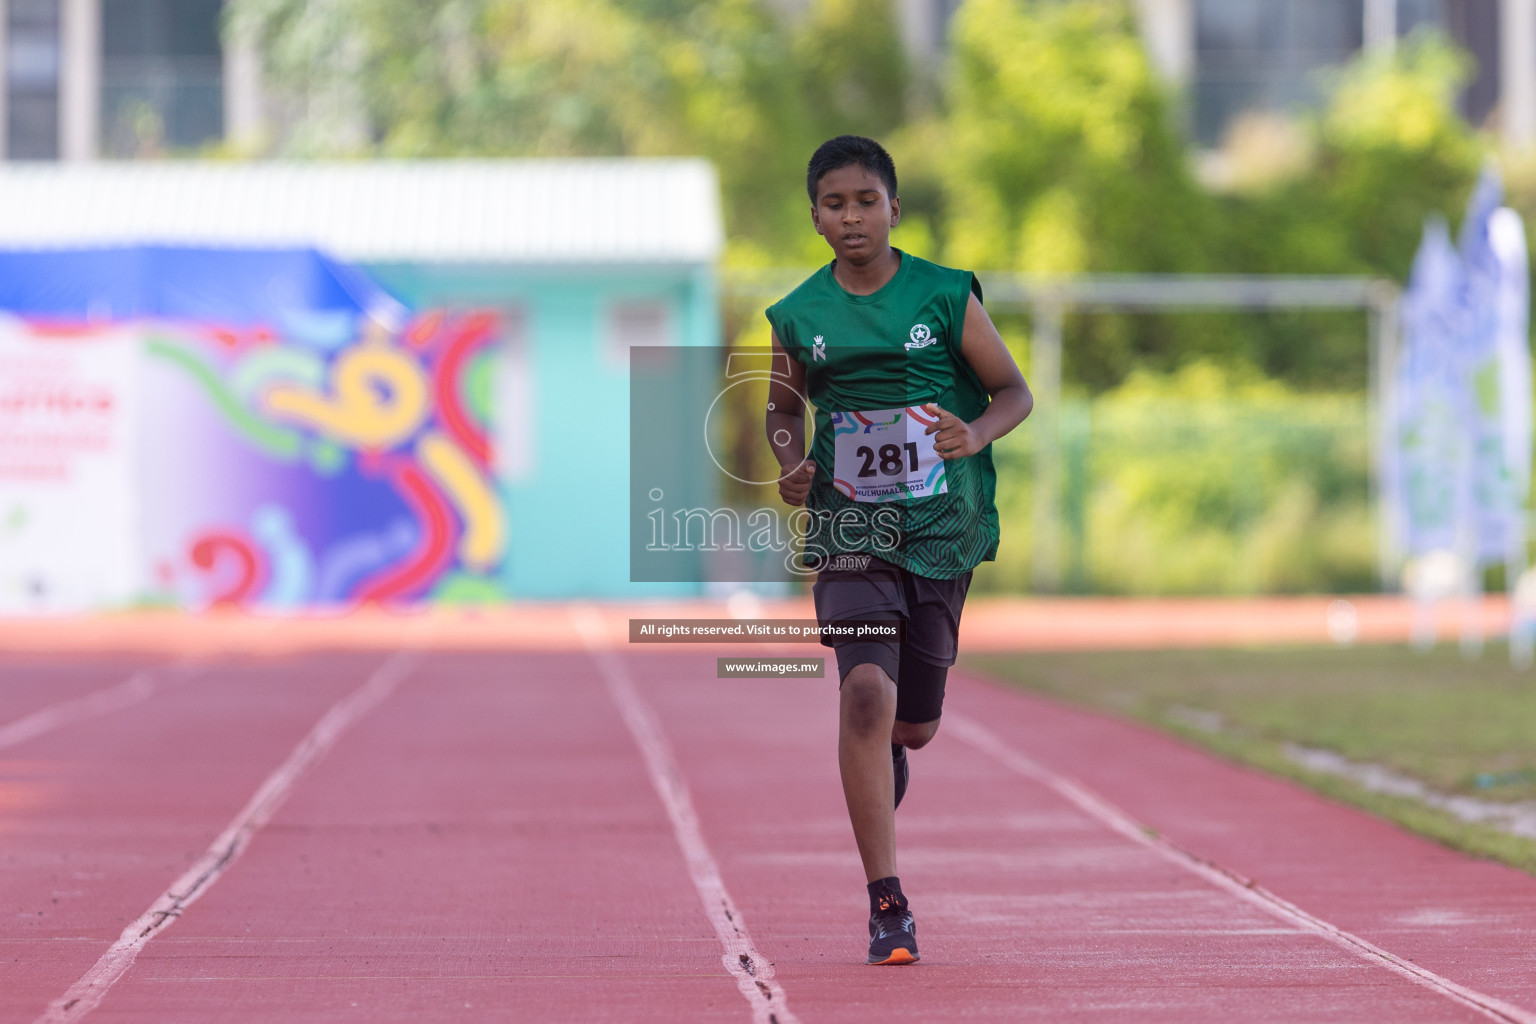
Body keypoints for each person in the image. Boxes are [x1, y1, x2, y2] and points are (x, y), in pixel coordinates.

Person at [764, 135, 1033, 965]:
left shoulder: (947, 297)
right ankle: (888, 902)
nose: (852, 216)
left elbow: (1013, 392)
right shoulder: (800, 313)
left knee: (911, 724)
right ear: (815, 217)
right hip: (851, 526)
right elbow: (780, 408)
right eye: (835, 204)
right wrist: (792, 464)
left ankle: (890, 755)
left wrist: (973, 431)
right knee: (864, 697)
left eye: (867, 201)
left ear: (894, 209)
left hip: (940, 526)